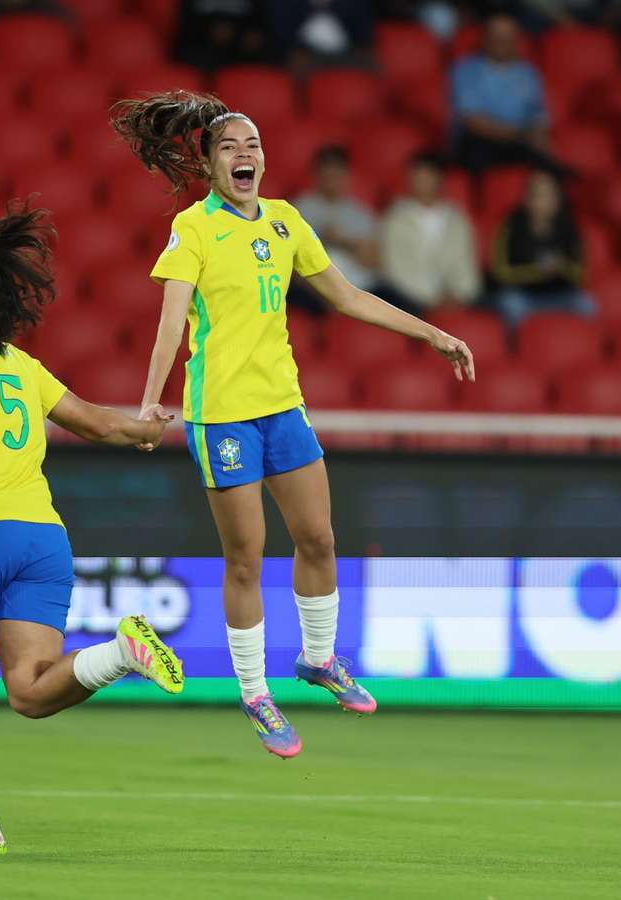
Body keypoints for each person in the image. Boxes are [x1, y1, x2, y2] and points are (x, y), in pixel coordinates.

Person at [110, 91, 474, 758]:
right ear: (209, 165)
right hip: (222, 415)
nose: (243, 153)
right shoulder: (194, 228)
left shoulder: (285, 222)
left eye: (252, 144)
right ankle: (255, 694)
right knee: (246, 558)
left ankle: (319, 658)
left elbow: (347, 295)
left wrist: (432, 333)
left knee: (319, 539)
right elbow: (171, 323)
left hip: (283, 406)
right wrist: (149, 401)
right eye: (229, 146)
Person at [0, 203, 184, 854]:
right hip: (42, 539)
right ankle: (121, 653)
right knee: (30, 689)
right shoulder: (16, 361)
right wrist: (147, 427)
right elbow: (97, 422)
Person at [380, 151, 481, 314]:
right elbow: (396, 268)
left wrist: (459, 295)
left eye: (428, 176)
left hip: (456, 299)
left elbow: (465, 264)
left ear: (440, 179)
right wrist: (431, 299)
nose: (422, 182)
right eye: (417, 176)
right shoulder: (396, 218)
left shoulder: (457, 219)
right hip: (410, 300)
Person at [491, 167, 593, 328]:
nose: (543, 201)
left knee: (586, 304)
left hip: (560, 294)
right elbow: (500, 273)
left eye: (549, 195)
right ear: (526, 198)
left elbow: (580, 274)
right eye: (538, 194)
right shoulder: (512, 225)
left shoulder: (568, 226)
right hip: (523, 295)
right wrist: (538, 271)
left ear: (558, 199)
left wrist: (561, 266)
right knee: (510, 303)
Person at [450, 11, 551, 171]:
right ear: (485, 37)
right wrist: (519, 135)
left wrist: (537, 136)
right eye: (495, 35)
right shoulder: (466, 70)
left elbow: (538, 117)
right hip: (480, 142)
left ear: (516, 39)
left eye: (507, 36)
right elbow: (473, 121)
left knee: (548, 164)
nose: (501, 41)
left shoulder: (528, 74)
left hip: (519, 142)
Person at [291, 145, 381, 293]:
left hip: (360, 286)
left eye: (336, 175)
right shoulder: (299, 209)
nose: (331, 180)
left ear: (347, 175)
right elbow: (292, 260)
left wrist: (344, 242)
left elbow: (372, 260)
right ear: (316, 175)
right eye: (327, 175)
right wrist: (322, 239)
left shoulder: (360, 213)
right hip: (314, 287)